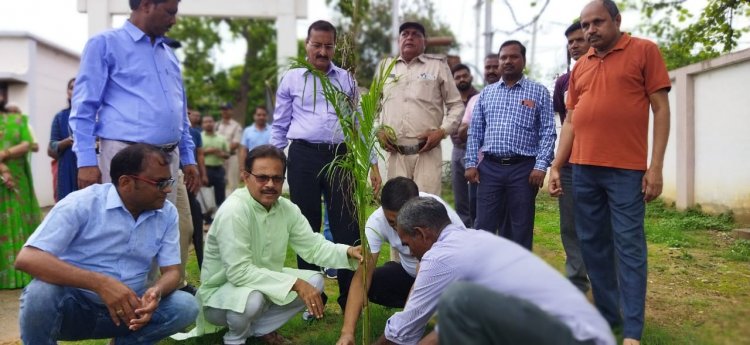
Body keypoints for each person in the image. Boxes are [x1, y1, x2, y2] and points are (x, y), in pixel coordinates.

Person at [548, 1, 671, 344]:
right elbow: (572, 119)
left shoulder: (644, 51)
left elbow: (661, 109)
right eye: (585, 25)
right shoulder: (580, 67)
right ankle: (607, 316)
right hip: (583, 170)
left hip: (626, 171)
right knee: (592, 246)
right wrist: (557, 165)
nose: (589, 30)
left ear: (616, 20)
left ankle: (632, 330)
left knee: (629, 246)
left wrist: (655, 166)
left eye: (597, 22)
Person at [14, 144, 199, 343]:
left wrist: (155, 292)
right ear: (126, 182)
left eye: (169, 181)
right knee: (40, 293)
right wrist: (101, 284)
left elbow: (172, 272)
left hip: (131, 312)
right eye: (159, 183)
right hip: (74, 311)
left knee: (186, 305)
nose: (168, 189)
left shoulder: (167, 213)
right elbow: (28, 258)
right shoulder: (82, 204)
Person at [373, 197, 615, 345]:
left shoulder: (441, 257)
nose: (409, 252)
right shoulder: (474, 239)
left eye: (407, 243)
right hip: (580, 333)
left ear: (423, 233)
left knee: (459, 300)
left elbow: (402, 333)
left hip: (575, 338)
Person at [195, 144, 363, 345]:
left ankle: (258, 330)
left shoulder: (286, 208)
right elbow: (238, 272)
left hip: (262, 282)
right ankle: (235, 338)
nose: (270, 184)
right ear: (245, 176)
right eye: (262, 177)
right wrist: (295, 284)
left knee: (315, 282)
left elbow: (313, 246)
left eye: (276, 178)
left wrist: (348, 251)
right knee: (253, 299)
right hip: (221, 294)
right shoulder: (235, 210)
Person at [270, 20, 381, 311]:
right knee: (305, 227)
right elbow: (280, 125)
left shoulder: (345, 80)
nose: (322, 51)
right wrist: (273, 163)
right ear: (306, 45)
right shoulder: (292, 78)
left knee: (346, 227)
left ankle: (349, 298)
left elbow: (360, 123)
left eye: (328, 46)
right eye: (316, 45)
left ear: (334, 47)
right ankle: (312, 299)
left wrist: (373, 165)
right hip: (303, 157)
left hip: (340, 158)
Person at [69, 0, 199, 201]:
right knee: (122, 227)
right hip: (126, 157)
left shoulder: (169, 54)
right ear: (146, 5)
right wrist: (86, 162)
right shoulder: (105, 44)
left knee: (161, 226)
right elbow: (83, 107)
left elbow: (179, 113)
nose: (174, 20)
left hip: (168, 160)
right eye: (169, 12)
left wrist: (188, 157)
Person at [336, 177, 464, 345]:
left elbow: (457, 263)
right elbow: (362, 277)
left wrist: (406, 324)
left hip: (448, 279)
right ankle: (421, 311)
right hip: (410, 274)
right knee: (366, 279)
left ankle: (436, 312)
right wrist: (347, 333)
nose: (399, 229)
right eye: (393, 223)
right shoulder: (375, 223)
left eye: (405, 221)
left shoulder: (438, 213)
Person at [465, 40, 556, 250]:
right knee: (484, 225)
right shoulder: (487, 93)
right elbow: (475, 130)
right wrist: (471, 163)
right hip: (490, 168)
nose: (507, 61)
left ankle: (519, 277)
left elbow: (547, 132)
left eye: (513, 56)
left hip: (523, 170)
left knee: (521, 226)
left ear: (523, 61)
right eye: (503, 57)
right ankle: (483, 275)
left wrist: (540, 166)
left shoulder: (538, 91)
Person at [377, 21, 464, 196]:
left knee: (425, 207)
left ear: (424, 42)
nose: (410, 37)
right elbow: (377, 106)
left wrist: (441, 131)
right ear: (399, 40)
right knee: (397, 207)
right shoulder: (385, 67)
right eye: (405, 34)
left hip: (427, 152)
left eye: (416, 34)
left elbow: (456, 105)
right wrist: (379, 130)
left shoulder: (437, 66)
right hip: (395, 154)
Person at [551, 20, 592, 294]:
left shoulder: (604, 73)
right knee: (570, 226)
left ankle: (606, 284)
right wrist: (558, 163)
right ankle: (577, 282)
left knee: (600, 225)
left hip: (597, 163)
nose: (574, 45)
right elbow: (563, 121)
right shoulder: (564, 82)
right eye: (570, 42)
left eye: (579, 39)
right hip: (569, 165)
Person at [0, 103, 42, 289]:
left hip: (19, 177)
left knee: (22, 220)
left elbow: (31, 144)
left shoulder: (19, 122)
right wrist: (3, 168)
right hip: (9, 175)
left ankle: (24, 269)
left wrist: (4, 154)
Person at [458, 53, 500, 225]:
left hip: (507, 168)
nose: (491, 71)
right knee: (479, 215)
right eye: (487, 67)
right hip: (479, 167)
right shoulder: (475, 100)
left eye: (494, 66)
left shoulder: (516, 97)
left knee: (506, 216)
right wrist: (478, 121)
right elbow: (462, 132)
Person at [449, 63, 479, 227]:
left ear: (471, 77)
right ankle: (464, 230)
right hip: (457, 151)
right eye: (457, 77)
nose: (461, 79)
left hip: (476, 152)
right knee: (460, 195)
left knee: (476, 195)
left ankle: (478, 229)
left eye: (464, 76)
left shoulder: (481, 97)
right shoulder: (452, 102)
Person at [48, 78, 78, 201]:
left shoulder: (97, 115)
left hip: (92, 168)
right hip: (67, 170)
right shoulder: (60, 118)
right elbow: (51, 148)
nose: (75, 91)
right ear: (68, 93)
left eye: (79, 87)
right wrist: (68, 141)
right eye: (72, 88)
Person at [201, 115, 230, 209]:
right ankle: (207, 217)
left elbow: (227, 154)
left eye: (210, 121)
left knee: (220, 194)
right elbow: (196, 154)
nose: (208, 124)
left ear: (214, 123)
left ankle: (220, 214)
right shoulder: (200, 137)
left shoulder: (221, 138)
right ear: (202, 125)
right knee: (204, 194)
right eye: (206, 122)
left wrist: (219, 153)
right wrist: (207, 151)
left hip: (219, 169)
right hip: (204, 169)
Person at [215, 102, 243, 193]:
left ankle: (232, 205)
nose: (224, 111)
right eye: (223, 109)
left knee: (232, 183)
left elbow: (236, 144)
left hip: (231, 157)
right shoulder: (216, 125)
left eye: (227, 109)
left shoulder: (236, 126)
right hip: (217, 158)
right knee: (218, 183)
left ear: (231, 111)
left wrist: (220, 150)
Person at [238, 105, 271, 175]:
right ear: (254, 116)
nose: (261, 117)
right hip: (252, 165)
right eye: (259, 115)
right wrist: (242, 169)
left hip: (270, 164)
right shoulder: (247, 131)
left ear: (267, 116)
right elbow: (243, 151)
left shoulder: (273, 130)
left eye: (264, 115)